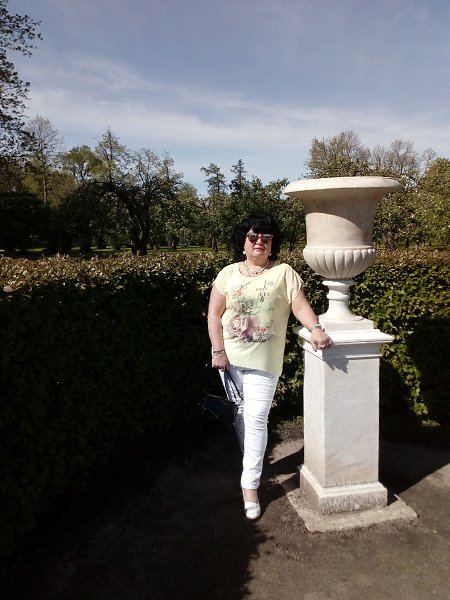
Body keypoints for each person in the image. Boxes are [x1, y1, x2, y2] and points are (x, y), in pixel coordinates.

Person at [207, 213, 331, 520]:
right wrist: (218, 350)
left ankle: (249, 485)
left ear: (273, 243)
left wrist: (315, 328)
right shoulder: (227, 274)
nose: (259, 242)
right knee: (242, 415)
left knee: (257, 418)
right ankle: (251, 458)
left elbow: (299, 305)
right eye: (253, 236)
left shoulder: (284, 273)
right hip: (230, 360)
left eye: (266, 237)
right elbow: (214, 315)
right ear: (244, 241)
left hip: (264, 362)